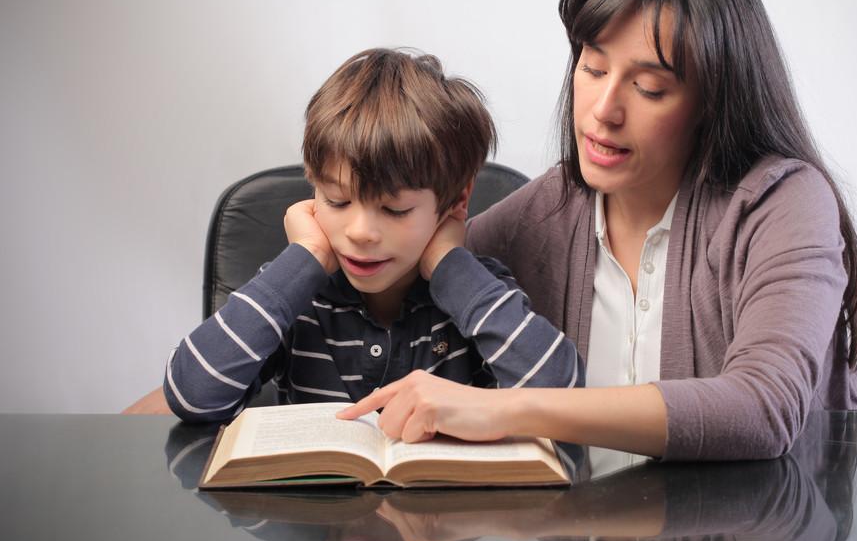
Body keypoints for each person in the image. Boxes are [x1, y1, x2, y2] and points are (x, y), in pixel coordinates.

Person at [340, 0, 857, 459]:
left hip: (800, 525)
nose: (603, 108)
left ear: (713, 102)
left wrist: (508, 410)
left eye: (649, 88)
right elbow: (398, 261)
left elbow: (764, 409)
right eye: (594, 67)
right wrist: (312, 248)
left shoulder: (781, 202)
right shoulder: (540, 216)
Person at [162, 48, 581, 422]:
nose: (360, 232)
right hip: (312, 510)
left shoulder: (477, 292)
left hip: (445, 509)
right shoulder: (294, 293)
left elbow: (563, 398)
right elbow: (192, 396)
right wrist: (304, 257)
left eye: (394, 210)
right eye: (337, 201)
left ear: (456, 200)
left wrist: (450, 266)